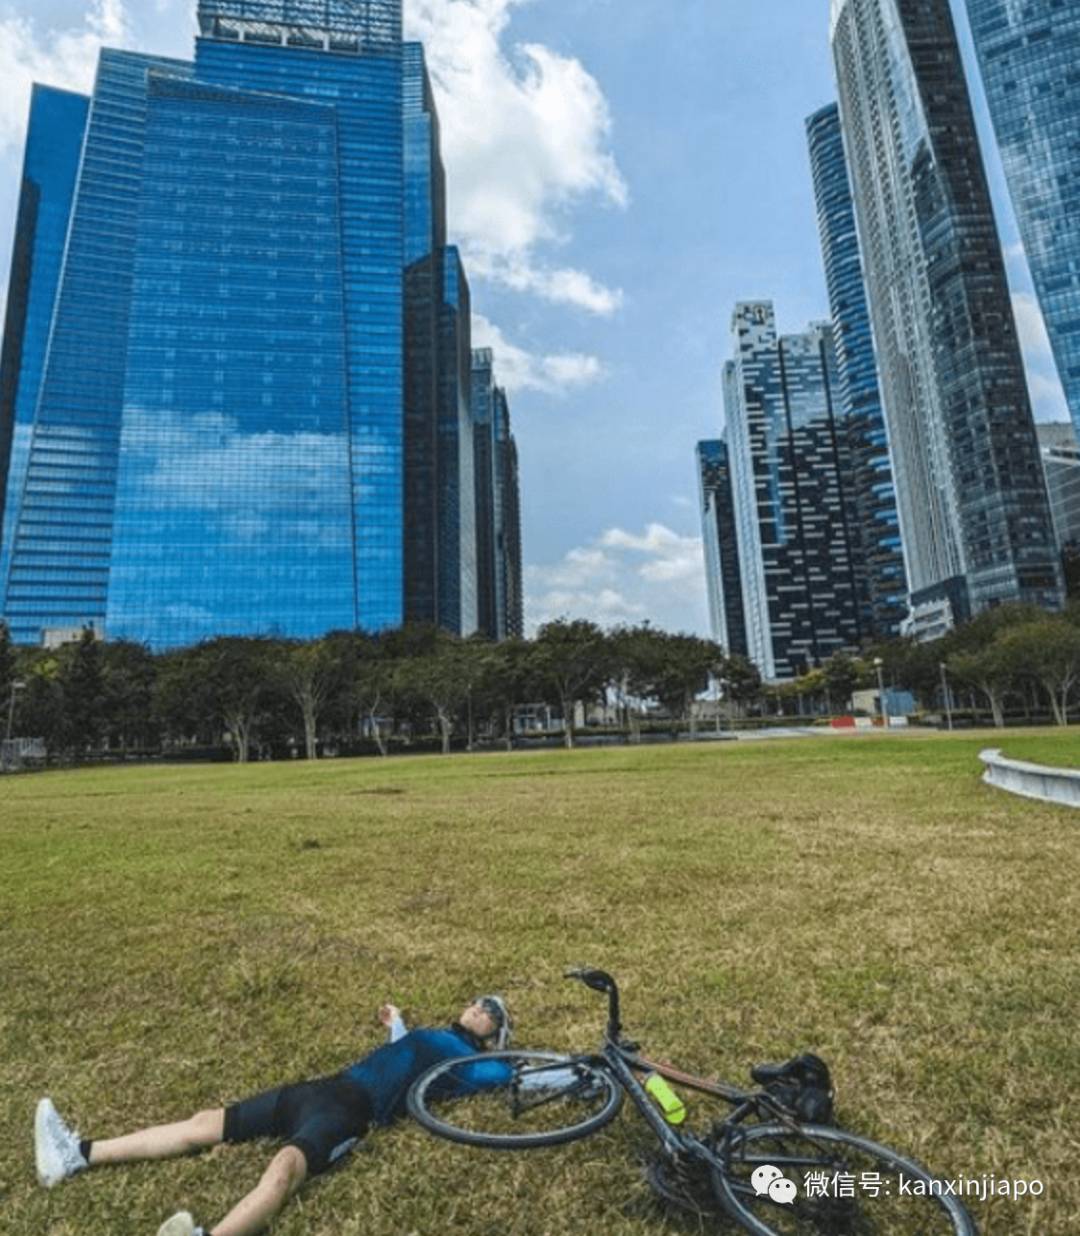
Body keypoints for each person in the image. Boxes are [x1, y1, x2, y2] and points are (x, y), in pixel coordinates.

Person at [34, 994, 513, 1236]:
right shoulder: (435, 1038)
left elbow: (518, 1076)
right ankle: (74, 1155)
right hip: (321, 1087)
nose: (478, 1007)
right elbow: (405, 1052)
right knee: (205, 1123)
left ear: (496, 1034)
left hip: (352, 1112)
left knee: (283, 1170)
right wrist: (398, 1021)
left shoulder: (471, 1065)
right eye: (476, 1000)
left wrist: (584, 1071)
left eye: (489, 1009)